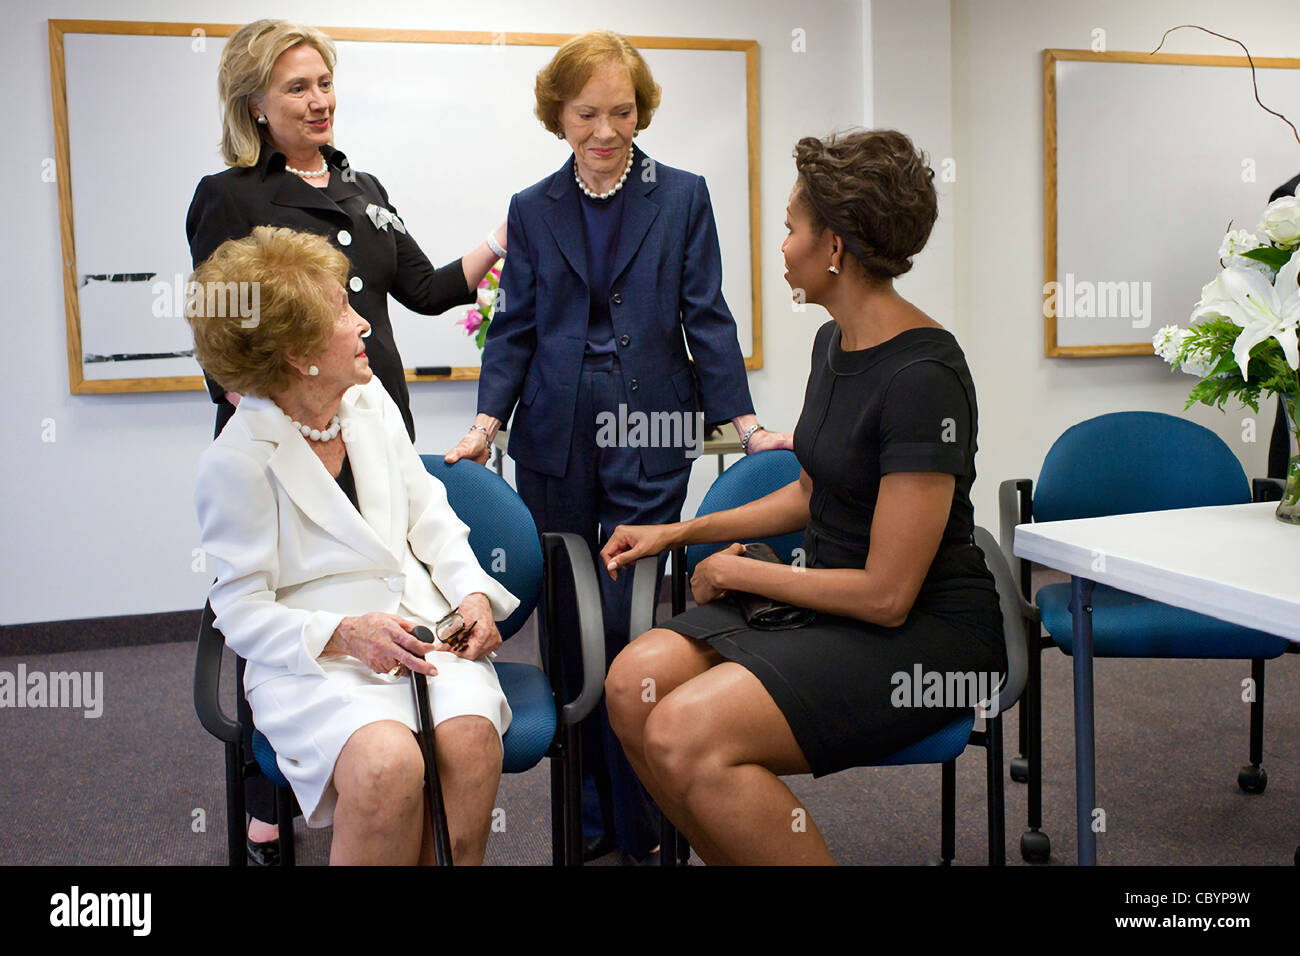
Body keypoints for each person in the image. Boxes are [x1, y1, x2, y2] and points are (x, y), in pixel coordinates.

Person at [599, 129, 1007, 865]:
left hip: (923, 635)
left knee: (685, 729)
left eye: (791, 228)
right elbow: (810, 496)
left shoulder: (923, 378)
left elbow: (887, 595)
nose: (782, 245)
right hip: (830, 607)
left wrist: (739, 571)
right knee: (636, 685)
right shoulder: (835, 342)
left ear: (836, 248)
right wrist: (678, 534)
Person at [444, 30, 791, 864]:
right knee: (569, 627)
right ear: (558, 116)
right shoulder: (533, 209)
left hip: (651, 431)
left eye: (623, 111)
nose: (607, 130)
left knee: (633, 627)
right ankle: (590, 819)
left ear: (642, 108)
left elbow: (704, 317)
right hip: (555, 435)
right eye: (588, 113)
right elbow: (516, 330)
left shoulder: (682, 196)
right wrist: (487, 426)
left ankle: (647, 820)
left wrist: (745, 428)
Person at [187, 19, 507, 860]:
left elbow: (431, 289)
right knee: (380, 761)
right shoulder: (230, 197)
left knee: (467, 732)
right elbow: (225, 327)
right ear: (255, 103)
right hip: (284, 404)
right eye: (297, 87)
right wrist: (273, 404)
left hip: (361, 398)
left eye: (325, 82)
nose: (320, 99)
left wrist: (509, 233)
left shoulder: (362, 185)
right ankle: (271, 806)